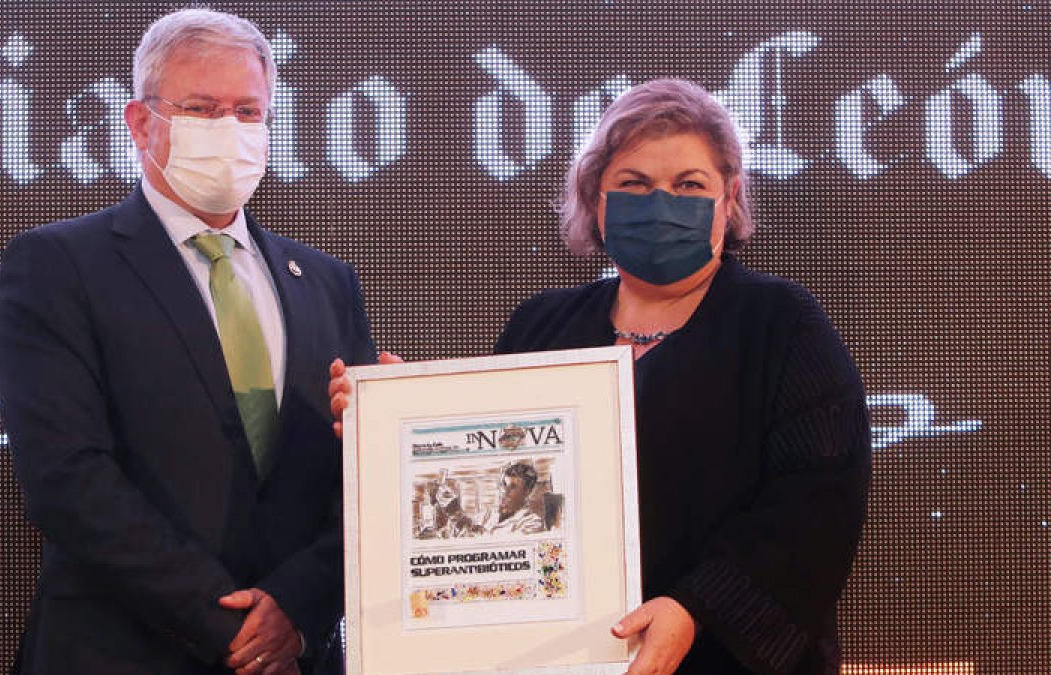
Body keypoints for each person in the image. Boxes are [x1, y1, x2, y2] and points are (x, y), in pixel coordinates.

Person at [330, 79, 870, 674]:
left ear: (729, 196)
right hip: (555, 658)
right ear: (596, 199)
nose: (661, 202)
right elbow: (497, 491)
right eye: (634, 184)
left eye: (689, 185)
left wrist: (695, 610)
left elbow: (817, 506)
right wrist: (405, 425)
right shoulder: (543, 325)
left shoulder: (780, 322)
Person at [0, 9, 375, 675]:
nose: (229, 131)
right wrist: (237, 625)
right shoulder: (58, 265)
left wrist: (299, 605)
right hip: (119, 652)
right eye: (202, 109)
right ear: (140, 123)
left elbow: (362, 485)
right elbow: (67, 479)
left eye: (248, 112)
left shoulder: (326, 281)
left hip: (297, 656)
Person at [478, 461, 545, 536]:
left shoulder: (532, 523)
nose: (505, 491)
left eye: (513, 487)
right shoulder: (487, 513)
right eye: (504, 484)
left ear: (527, 491)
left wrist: (480, 532)